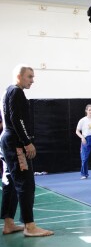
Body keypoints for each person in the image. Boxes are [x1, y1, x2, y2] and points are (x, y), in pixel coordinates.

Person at [0, 65, 54, 236]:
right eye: (29, 77)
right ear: (19, 76)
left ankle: (8, 223)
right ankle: (29, 226)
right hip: (15, 141)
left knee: (10, 181)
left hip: (7, 140)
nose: (32, 80)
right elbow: (17, 119)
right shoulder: (16, 92)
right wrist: (27, 142)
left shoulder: (7, 90)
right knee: (25, 183)